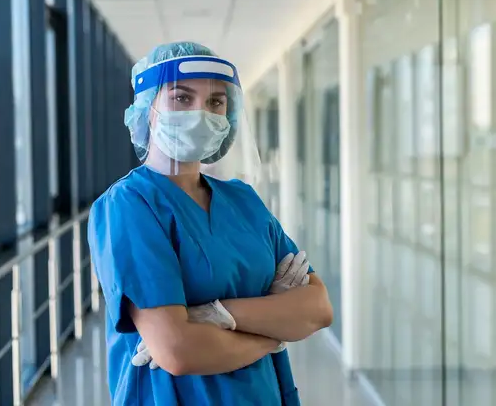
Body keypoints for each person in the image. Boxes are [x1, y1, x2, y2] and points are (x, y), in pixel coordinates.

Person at [88, 41, 333, 406]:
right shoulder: (129, 205)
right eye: (182, 98)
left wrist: (217, 316)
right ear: (148, 109)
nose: (200, 113)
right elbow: (178, 351)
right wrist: (274, 328)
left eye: (216, 102)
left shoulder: (243, 200)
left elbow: (318, 308)